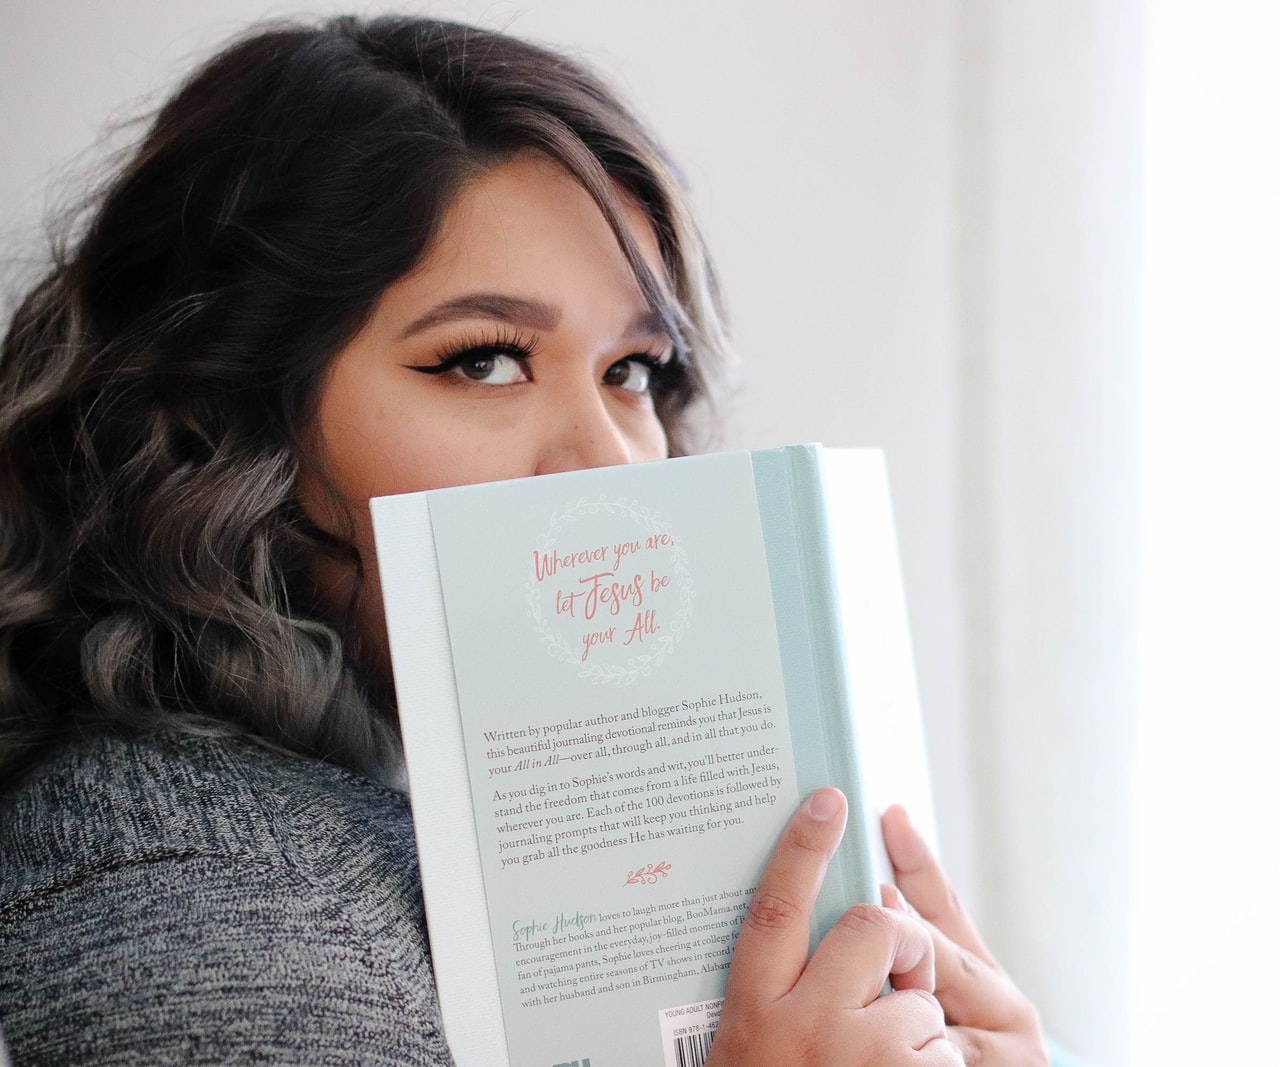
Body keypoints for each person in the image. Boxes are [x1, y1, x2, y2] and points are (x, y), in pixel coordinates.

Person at [0, 15, 1058, 1066]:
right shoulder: (197, 906)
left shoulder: (435, 812)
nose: (608, 466)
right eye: (483, 360)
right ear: (222, 415)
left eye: (633, 370)